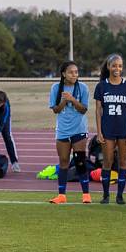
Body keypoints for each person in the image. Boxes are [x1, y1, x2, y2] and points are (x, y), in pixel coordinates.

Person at [94, 54, 126, 205]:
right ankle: (106, 195)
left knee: (123, 162)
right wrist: (99, 132)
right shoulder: (101, 86)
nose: (117, 68)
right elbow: (98, 110)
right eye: (114, 65)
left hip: (124, 129)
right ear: (108, 66)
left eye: (119, 66)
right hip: (107, 129)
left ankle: (120, 195)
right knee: (107, 162)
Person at [48, 61, 91, 204]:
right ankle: (61, 195)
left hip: (79, 129)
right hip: (62, 131)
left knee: (80, 161)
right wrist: (63, 102)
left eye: (76, 72)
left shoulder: (83, 87)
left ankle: (86, 195)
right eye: (71, 72)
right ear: (63, 74)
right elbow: (55, 110)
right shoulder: (56, 88)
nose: (74, 75)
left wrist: (73, 99)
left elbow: (84, 109)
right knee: (64, 161)